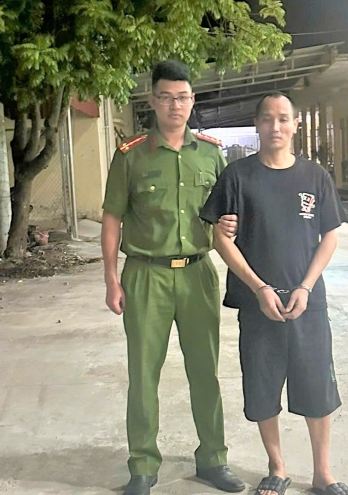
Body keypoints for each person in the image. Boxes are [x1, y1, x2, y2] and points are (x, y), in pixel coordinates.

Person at [200, 92, 348, 495]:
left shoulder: (315, 177)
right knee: (262, 385)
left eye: (284, 119)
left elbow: (330, 235)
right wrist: (259, 288)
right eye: (268, 119)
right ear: (257, 124)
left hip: (307, 302)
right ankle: (277, 466)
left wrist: (306, 286)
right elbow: (220, 238)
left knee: (317, 385)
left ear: (296, 125)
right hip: (258, 304)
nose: (275, 126)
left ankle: (323, 473)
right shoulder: (238, 176)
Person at [101, 60, 244, 495]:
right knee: (144, 375)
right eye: (166, 97)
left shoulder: (211, 154)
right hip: (146, 276)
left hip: (198, 274)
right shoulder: (131, 155)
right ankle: (143, 466)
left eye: (182, 97)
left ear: (192, 100)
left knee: (206, 372)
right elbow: (111, 219)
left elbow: (226, 215)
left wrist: (231, 225)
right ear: (153, 101)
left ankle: (213, 459)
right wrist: (111, 279)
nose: (174, 105)